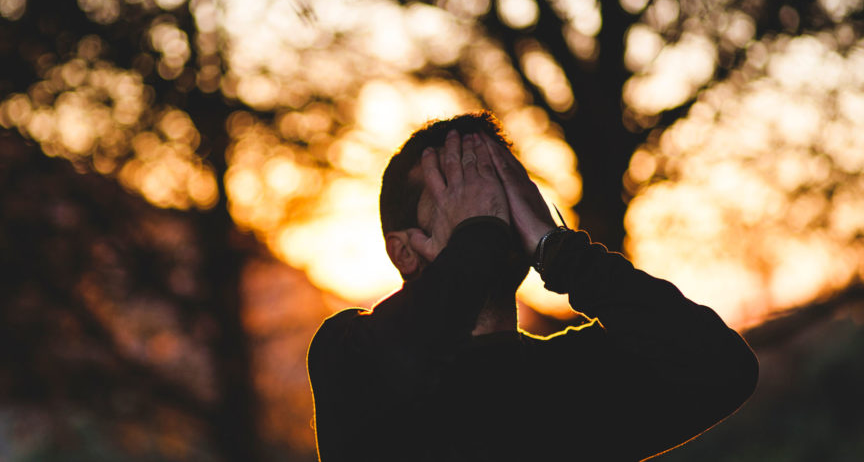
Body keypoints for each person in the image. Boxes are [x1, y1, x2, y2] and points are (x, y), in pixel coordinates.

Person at [307, 112, 758, 461]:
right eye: (461, 191)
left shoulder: (578, 377)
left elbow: (724, 368)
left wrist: (557, 249)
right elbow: (403, 355)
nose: (490, 206)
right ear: (403, 252)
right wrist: (478, 235)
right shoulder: (349, 356)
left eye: (502, 186)